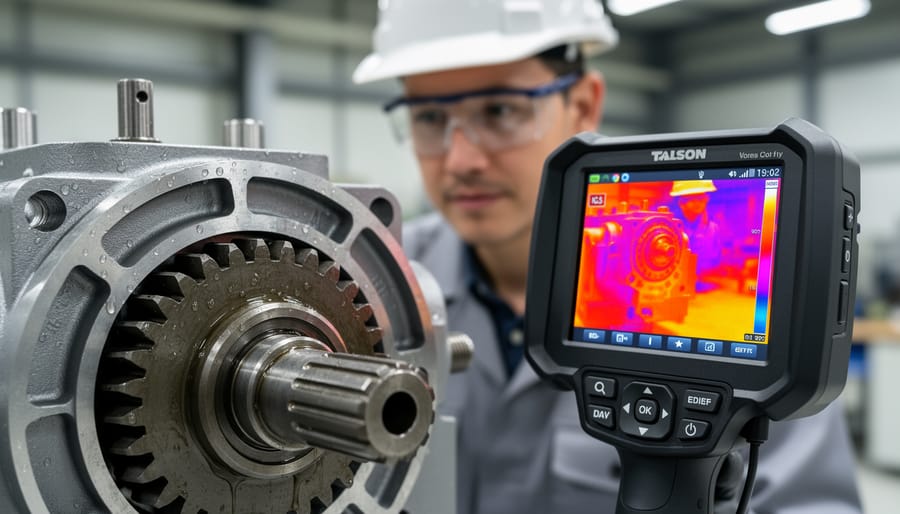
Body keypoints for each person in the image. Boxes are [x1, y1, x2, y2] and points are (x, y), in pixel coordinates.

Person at [352, 1, 862, 512]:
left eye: (500, 111)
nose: (461, 160)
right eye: (429, 117)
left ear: (582, 105)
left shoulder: (765, 324)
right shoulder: (370, 281)